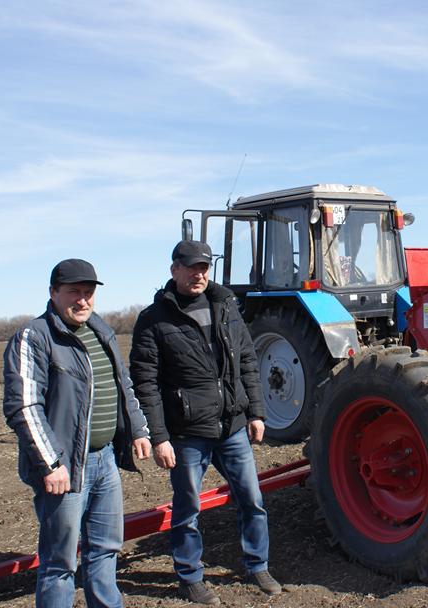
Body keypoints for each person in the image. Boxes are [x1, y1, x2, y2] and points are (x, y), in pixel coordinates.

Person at [129, 240, 281, 605]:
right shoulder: (154, 319)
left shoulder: (226, 306)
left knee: (252, 500)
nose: (199, 274)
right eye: (191, 267)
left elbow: (247, 360)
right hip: (186, 433)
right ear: (174, 270)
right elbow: (145, 382)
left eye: (204, 267)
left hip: (231, 426)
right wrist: (160, 436)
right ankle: (190, 576)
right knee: (188, 509)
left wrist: (256, 412)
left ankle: (257, 565)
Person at [2, 258, 152, 607]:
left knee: (105, 550)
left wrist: (139, 429)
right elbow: (23, 407)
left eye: (88, 293)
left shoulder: (100, 331)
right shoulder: (34, 337)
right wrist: (50, 463)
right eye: (74, 292)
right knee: (60, 562)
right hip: (65, 468)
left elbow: (121, 385)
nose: (82, 300)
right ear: (53, 293)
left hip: (105, 463)